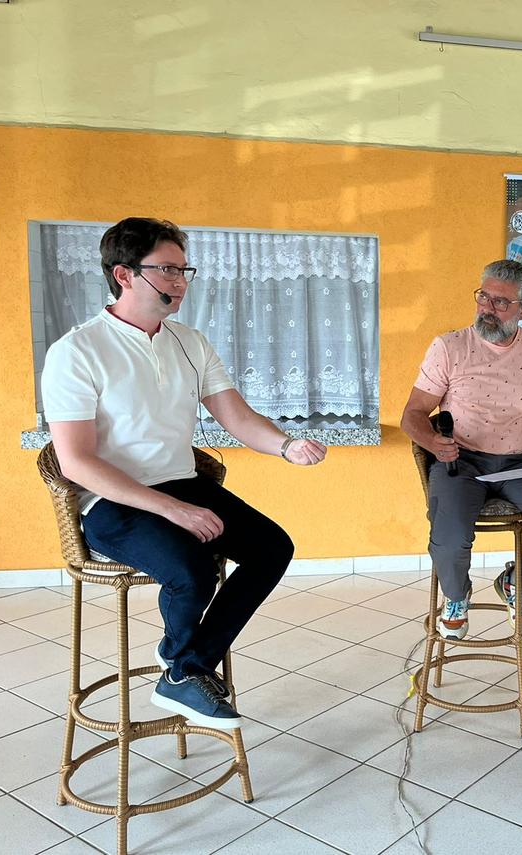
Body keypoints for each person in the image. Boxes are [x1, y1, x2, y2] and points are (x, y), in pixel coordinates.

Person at [42, 217, 326, 729]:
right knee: (191, 569)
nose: (180, 281)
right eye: (168, 269)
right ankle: (185, 672)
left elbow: (236, 416)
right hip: (110, 501)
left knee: (272, 548)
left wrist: (287, 446)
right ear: (124, 275)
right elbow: (77, 462)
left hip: (181, 482)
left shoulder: (190, 342)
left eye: (183, 270)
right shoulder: (76, 352)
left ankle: (183, 669)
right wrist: (173, 509)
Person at [401, 259, 522, 639]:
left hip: (520, 463)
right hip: (461, 462)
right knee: (450, 537)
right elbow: (412, 414)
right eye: (483, 298)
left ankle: (518, 584)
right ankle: (457, 597)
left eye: (501, 303)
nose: (488, 309)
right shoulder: (449, 347)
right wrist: (433, 443)